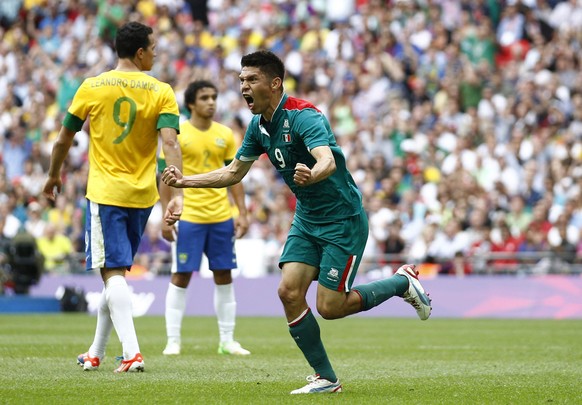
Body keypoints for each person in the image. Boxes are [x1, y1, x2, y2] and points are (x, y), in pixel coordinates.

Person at [162, 50, 432, 394]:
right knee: (288, 292)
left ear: (274, 84)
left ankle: (400, 283)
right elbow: (233, 172)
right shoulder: (258, 127)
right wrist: (185, 181)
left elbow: (326, 161)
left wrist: (312, 175)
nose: (243, 87)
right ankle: (326, 378)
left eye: (251, 80)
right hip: (307, 218)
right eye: (241, 80)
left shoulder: (304, 116)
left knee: (330, 308)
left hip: (341, 219)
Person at [42, 21, 183, 373]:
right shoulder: (161, 90)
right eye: (152, 47)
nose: (155, 53)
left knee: (112, 275)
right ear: (139, 52)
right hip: (142, 195)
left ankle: (132, 352)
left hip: (105, 193)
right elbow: (171, 144)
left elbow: (63, 139)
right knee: (115, 272)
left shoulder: (92, 87)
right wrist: (178, 192)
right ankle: (96, 351)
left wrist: (53, 175)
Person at [159, 80, 251, 356]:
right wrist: (166, 214)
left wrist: (242, 212)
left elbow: (235, 175)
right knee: (182, 274)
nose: (211, 102)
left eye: (213, 97)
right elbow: (165, 178)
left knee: (224, 274)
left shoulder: (225, 134)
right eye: (204, 98)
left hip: (221, 216)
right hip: (189, 216)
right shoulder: (177, 135)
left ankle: (227, 340)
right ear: (191, 104)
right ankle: (173, 340)